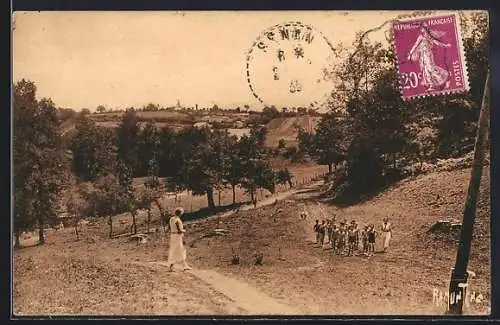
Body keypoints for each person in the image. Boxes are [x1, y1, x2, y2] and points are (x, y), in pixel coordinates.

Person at [407, 23, 452, 92]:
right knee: (426, 70)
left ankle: (445, 77)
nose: (421, 29)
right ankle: (431, 85)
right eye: (421, 28)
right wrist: (410, 53)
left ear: (425, 29)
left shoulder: (429, 37)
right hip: (423, 56)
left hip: (428, 54)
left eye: (422, 28)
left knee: (431, 68)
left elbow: (437, 42)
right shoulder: (421, 36)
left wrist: (445, 45)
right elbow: (415, 45)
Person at [167, 207, 192, 272]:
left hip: (173, 236)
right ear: (180, 213)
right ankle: (171, 266)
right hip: (177, 236)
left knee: (179, 250)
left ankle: (184, 265)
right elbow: (179, 230)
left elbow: (169, 228)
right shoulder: (177, 220)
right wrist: (184, 230)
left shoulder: (171, 219)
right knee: (177, 250)